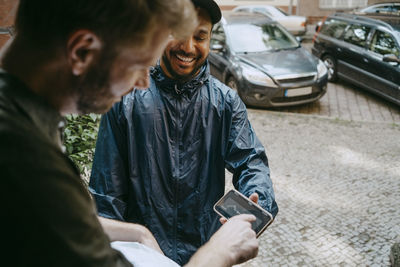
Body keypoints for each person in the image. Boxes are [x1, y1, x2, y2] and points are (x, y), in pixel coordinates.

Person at [0, 0, 260, 266]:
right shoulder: (25, 159)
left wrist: (137, 232)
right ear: (82, 52)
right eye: (137, 64)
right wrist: (218, 253)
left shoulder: (21, 125)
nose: (142, 82)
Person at [89, 0, 279, 265]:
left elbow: (251, 161)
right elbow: (106, 194)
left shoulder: (225, 102)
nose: (188, 47)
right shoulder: (126, 99)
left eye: (200, 36)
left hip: (207, 252)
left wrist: (255, 204)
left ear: (210, 39)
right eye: (179, 33)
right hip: (144, 256)